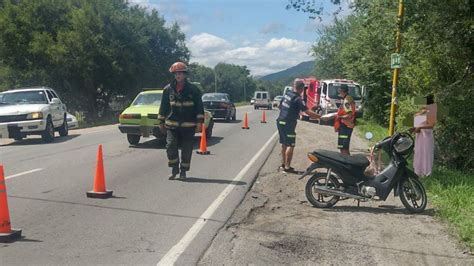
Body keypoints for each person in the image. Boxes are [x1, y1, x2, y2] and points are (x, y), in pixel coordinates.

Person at [158, 62, 205, 179]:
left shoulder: (194, 90)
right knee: (170, 146)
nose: (178, 75)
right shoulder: (168, 89)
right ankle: (174, 169)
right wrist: (161, 122)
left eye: (180, 73)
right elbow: (163, 106)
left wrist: (200, 123)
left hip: (188, 126)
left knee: (187, 149)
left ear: (185, 75)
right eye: (175, 73)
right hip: (172, 124)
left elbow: (199, 106)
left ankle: (183, 171)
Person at [277, 80, 321, 174]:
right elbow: (308, 112)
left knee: (284, 143)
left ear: (293, 87)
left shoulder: (287, 94)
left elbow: (279, 106)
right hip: (288, 123)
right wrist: (320, 117)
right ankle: (287, 167)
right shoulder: (298, 99)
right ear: (302, 89)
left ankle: (283, 164)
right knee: (290, 144)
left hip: (280, 121)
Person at [412, 95, 436, 177]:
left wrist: (420, 127)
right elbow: (417, 122)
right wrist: (414, 128)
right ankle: (418, 171)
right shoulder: (422, 111)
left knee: (426, 154)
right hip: (419, 136)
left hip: (426, 136)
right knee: (419, 153)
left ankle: (426, 172)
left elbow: (431, 125)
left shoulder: (431, 111)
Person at [333, 84, 356, 155]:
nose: (339, 92)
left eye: (339, 90)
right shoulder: (349, 98)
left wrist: (340, 117)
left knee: (343, 148)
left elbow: (349, 115)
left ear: (342, 91)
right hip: (348, 126)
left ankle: (345, 162)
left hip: (345, 126)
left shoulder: (346, 101)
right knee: (345, 147)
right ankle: (348, 161)